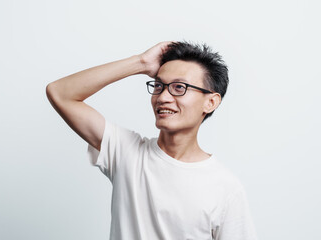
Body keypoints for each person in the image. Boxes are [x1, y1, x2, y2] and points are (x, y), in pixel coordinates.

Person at [46, 41, 257, 240]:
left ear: (210, 102)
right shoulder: (126, 152)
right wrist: (141, 63)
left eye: (179, 87)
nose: (163, 97)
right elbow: (60, 93)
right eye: (158, 86)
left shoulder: (226, 189)